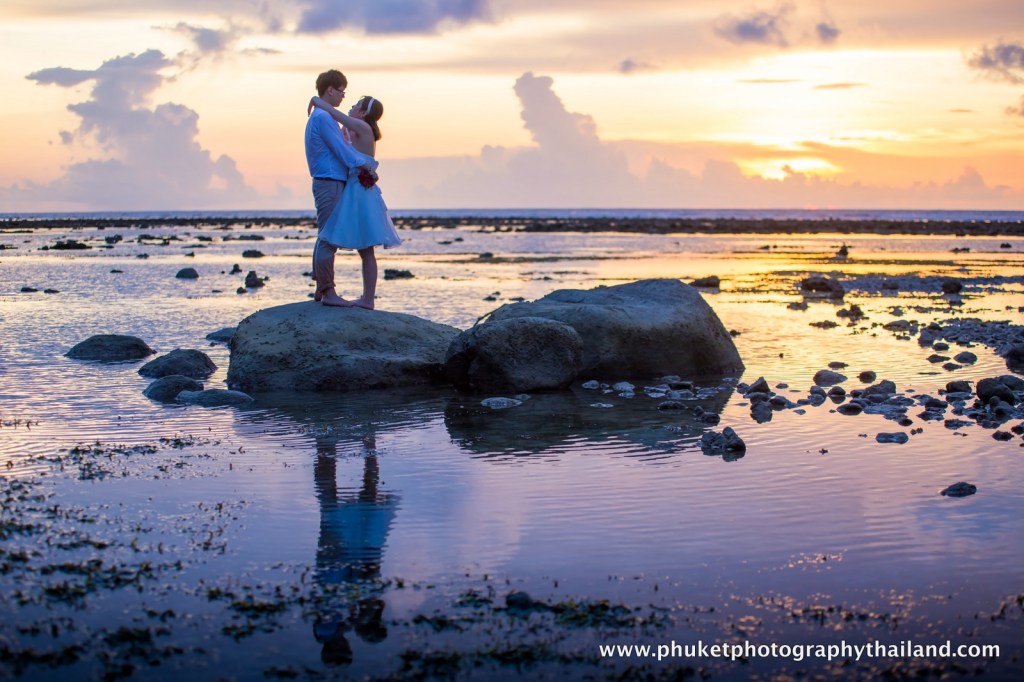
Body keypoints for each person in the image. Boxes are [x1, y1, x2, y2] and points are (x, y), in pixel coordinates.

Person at [308, 94, 401, 310]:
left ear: (364, 112)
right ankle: (324, 287)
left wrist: (316, 99)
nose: (351, 106)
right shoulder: (354, 130)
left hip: (359, 193)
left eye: (356, 105)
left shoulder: (362, 126)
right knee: (336, 238)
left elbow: (336, 114)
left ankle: (367, 299)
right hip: (354, 190)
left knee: (363, 248)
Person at [304, 69, 379, 308]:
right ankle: (328, 292)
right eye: (342, 92)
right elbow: (342, 150)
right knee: (328, 238)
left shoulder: (323, 116)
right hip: (329, 180)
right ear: (330, 90)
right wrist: (365, 165)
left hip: (331, 180)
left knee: (326, 235)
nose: (343, 97)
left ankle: (322, 288)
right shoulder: (324, 118)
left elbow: (345, 145)